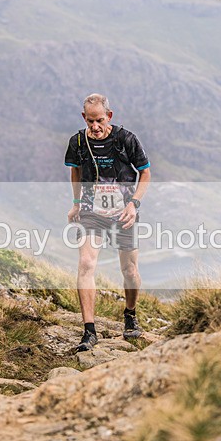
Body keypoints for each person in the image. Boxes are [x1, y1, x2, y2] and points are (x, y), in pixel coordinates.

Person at [64, 93, 152, 352]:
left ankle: (130, 314)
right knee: (86, 264)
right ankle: (89, 331)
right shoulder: (77, 142)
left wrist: (134, 204)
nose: (95, 126)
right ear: (84, 117)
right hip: (91, 212)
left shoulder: (126, 139)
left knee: (130, 270)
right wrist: (77, 203)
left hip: (124, 213)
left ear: (109, 116)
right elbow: (75, 171)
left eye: (100, 120)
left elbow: (145, 173)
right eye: (90, 121)